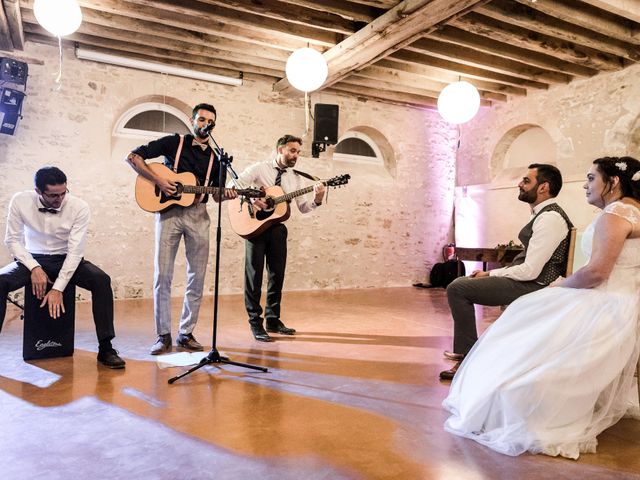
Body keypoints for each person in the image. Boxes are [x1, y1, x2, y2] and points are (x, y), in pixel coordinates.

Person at [443, 156, 640, 459]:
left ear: (612, 182)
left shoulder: (614, 215)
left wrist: (560, 286)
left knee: (525, 313)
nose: (586, 185)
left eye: (591, 178)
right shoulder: (633, 213)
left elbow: (597, 272)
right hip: (624, 302)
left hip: (605, 301)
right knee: (529, 317)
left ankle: (499, 384)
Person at [440, 163, 573, 380]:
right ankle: (467, 353)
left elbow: (530, 271)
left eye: (526, 180)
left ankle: (467, 359)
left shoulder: (550, 218)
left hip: (535, 284)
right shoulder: (543, 214)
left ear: (543, 187)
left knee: (458, 288)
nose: (520, 184)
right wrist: (492, 273)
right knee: (462, 283)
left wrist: (491, 273)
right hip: (531, 279)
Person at [126, 103, 237, 355]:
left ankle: (185, 333)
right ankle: (163, 335)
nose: (204, 124)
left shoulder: (216, 157)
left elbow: (218, 196)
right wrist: (159, 181)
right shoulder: (173, 142)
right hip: (168, 214)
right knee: (162, 276)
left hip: (199, 216)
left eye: (210, 121)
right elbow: (132, 156)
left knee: (196, 277)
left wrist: (229, 194)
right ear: (192, 120)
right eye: (200, 119)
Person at [0, 166, 125, 368]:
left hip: (66, 258)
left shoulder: (79, 206)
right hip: (31, 259)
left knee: (101, 280)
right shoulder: (20, 200)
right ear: (38, 191)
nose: (59, 199)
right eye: (53, 195)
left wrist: (57, 288)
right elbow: (12, 240)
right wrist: (34, 267)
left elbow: (75, 251)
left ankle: (106, 347)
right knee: (1, 280)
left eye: (63, 193)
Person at [234, 134, 325, 342]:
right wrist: (253, 200)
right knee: (254, 277)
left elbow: (303, 208)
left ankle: (273, 320)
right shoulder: (259, 168)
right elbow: (234, 184)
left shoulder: (296, 178)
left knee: (277, 276)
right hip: (254, 227)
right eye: (292, 151)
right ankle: (255, 323)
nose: (296, 155)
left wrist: (317, 200)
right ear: (280, 150)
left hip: (277, 229)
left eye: (298, 152)